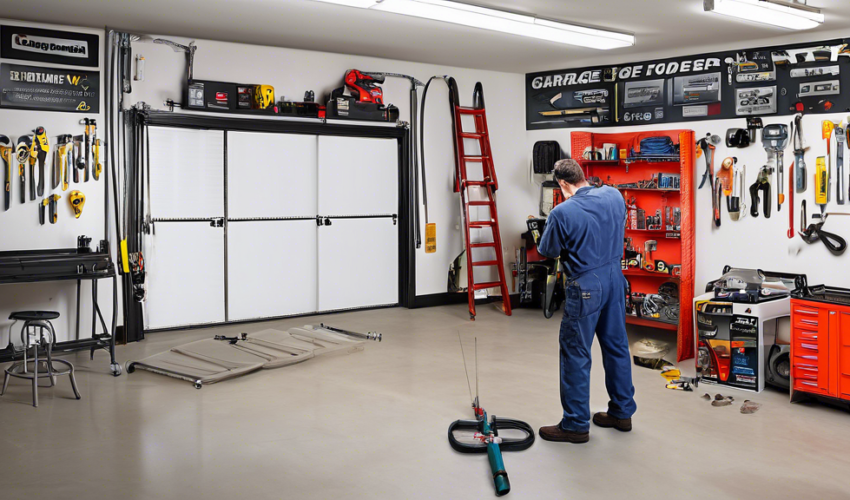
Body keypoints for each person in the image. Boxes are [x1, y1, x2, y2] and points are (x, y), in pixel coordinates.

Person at [536, 158, 636, 443]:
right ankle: (621, 412)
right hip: (616, 279)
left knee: (576, 353)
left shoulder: (562, 212)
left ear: (563, 184)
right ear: (583, 175)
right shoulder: (614, 195)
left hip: (586, 285)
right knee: (616, 346)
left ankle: (576, 424)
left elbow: (548, 250)